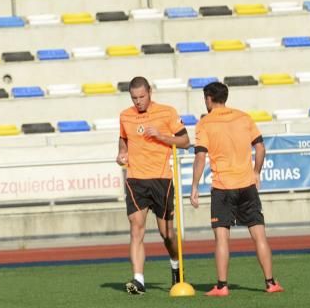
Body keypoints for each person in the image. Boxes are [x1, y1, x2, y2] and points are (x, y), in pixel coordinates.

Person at [189, 82, 283, 296]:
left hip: (223, 188)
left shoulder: (205, 123)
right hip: (247, 185)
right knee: (259, 235)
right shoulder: (244, 117)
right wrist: (256, 172)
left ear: (209, 98)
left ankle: (222, 286)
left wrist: (194, 186)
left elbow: (201, 156)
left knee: (222, 238)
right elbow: (260, 148)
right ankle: (270, 283)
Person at [117, 76, 191, 295]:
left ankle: (176, 265)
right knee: (136, 228)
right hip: (135, 180)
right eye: (134, 98)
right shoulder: (125, 116)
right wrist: (122, 152)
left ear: (150, 91)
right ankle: (138, 280)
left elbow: (185, 141)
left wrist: (162, 136)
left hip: (161, 179)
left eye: (142, 96)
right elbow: (123, 139)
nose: (138, 101)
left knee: (166, 233)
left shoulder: (167, 112)